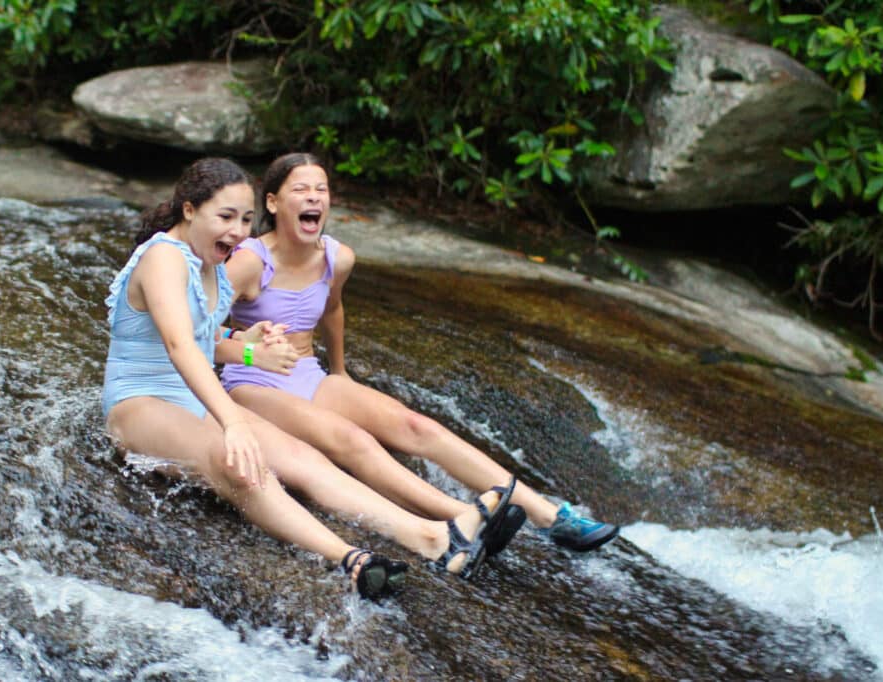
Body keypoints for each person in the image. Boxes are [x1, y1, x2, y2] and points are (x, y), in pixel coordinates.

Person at [101, 157, 516, 600]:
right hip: (139, 401)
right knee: (239, 463)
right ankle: (348, 558)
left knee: (303, 458)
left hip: (192, 397)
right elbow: (179, 345)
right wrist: (234, 421)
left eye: (245, 219)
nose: (238, 231)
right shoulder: (164, 256)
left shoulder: (212, 266)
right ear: (189, 210)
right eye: (224, 217)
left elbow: (205, 340)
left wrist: (251, 348)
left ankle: (433, 537)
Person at [220, 153, 619, 552]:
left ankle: (548, 516)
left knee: (417, 426)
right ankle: (466, 516)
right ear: (272, 203)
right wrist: (249, 350)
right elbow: (194, 328)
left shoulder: (336, 258)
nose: (314, 199)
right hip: (253, 383)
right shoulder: (248, 261)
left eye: (321, 190)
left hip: (307, 373)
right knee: (354, 440)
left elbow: (333, 307)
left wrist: (339, 370)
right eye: (301, 190)